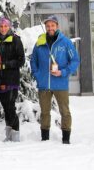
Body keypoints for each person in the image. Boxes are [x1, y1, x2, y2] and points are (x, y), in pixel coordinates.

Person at [30, 15, 80, 144]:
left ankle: (66, 138)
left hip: (60, 83)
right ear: (45, 27)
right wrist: (38, 74)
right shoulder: (40, 42)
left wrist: (63, 72)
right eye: (48, 26)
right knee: (45, 112)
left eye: (52, 25)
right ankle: (45, 137)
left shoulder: (65, 42)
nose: (50, 28)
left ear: (57, 26)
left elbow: (75, 60)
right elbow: (33, 60)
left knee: (65, 111)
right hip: (44, 84)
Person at [0, 17, 25, 142]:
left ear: (9, 27)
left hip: (11, 80)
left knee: (10, 107)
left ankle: (15, 136)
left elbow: (21, 60)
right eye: (1, 26)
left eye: (5, 26)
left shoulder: (16, 40)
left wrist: (4, 65)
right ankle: (9, 135)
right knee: (6, 107)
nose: (3, 28)